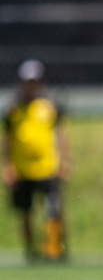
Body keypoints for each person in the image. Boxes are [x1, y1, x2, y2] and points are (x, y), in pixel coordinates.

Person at [2, 59, 70, 262]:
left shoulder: (50, 106)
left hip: (48, 168)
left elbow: (61, 133)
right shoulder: (13, 109)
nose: (31, 85)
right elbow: (6, 139)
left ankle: (54, 250)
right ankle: (31, 251)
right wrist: (7, 165)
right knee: (25, 213)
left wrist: (64, 160)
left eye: (34, 81)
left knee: (53, 211)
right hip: (23, 170)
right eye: (27, 81)